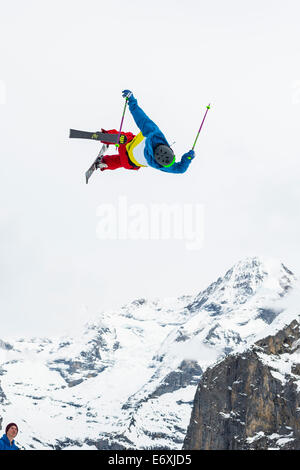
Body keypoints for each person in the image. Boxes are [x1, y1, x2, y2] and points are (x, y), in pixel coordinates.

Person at [98, 90, 195, 173]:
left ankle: (105, 136)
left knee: (125, 137)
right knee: (121, 161)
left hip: (128, 145)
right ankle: (104, 163)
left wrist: (132, 101)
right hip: (129, 163)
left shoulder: (153, 133)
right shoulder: (162, 165)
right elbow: (180, 169)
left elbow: (141, 118)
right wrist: (187, 159)